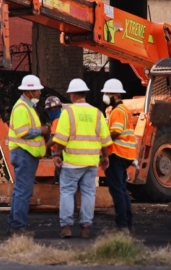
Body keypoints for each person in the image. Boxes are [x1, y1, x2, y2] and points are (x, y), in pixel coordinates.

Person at [52, 78, 112, 239]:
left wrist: (56, 154)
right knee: (88, 193)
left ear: (72, 95)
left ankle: (66, 227)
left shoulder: (68, 113)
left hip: (72, 162)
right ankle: (86, 228)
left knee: (67, 192)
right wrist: (105, 156)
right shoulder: (97, 113)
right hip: (91, 162)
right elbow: (105, 139)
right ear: (85, 94)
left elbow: (61, 138)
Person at [6, 74, 49, 235]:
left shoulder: (26, 108)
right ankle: (18, 227)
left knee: (20, 190)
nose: (39, 93)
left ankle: (15, 226)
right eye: (37, 90)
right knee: (23, 191)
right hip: (24, 153)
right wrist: (42, 130)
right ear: (29, 91)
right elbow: (23, 132)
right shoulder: (22, 108)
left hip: (25, 153)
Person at [101, 78, 135, 233]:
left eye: (107, 93)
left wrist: (102, 142)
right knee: (122, 190)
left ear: (114, 95)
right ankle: (127, 223)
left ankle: (122, 225)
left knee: (117, 191)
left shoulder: (118, 111)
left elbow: (116, 132)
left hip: (117, 154)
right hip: (125, 154)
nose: (105, 96)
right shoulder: (123, 110)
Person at [43, 96, 64, 184]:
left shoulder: (57, 120)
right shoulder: (62, 118)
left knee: (60, 178)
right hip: (62, 152)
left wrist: (43, 148)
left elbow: (54, 138)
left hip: (59, 153)